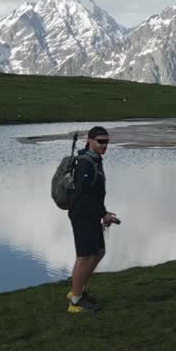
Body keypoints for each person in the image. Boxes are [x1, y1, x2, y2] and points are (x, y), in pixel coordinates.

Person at [66, 125, 119, 313]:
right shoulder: (86, 164)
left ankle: (78, 290)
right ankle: (75, 301)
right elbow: (83, 196)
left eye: (107, 142)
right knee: (85, 257)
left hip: (91, 214)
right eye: (100, 142)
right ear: (89, 141)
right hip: (82, 215)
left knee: (99, 252)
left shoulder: (95, 160)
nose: (104, 145)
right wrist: (102, 214)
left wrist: (104, 212)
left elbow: (95, 194)